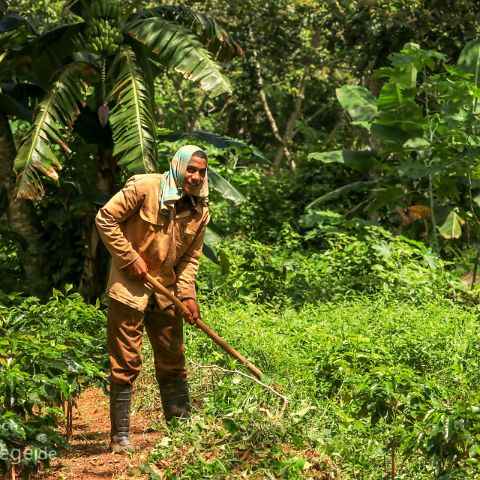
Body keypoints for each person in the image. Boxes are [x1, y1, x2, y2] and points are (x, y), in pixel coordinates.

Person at [95, 145, 209, 453]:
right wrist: (129, 257)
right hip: (130, 290)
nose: (196, 177)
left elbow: (190, 260)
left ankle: (182, 432)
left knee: (174, 360)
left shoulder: (200, 210)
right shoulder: (145, 187)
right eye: (191, 169)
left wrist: (187, 295)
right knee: (125, 362)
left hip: (166, 292)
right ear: (179, 166)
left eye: (201, 171)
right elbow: (105, 219)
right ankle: (120, 438)